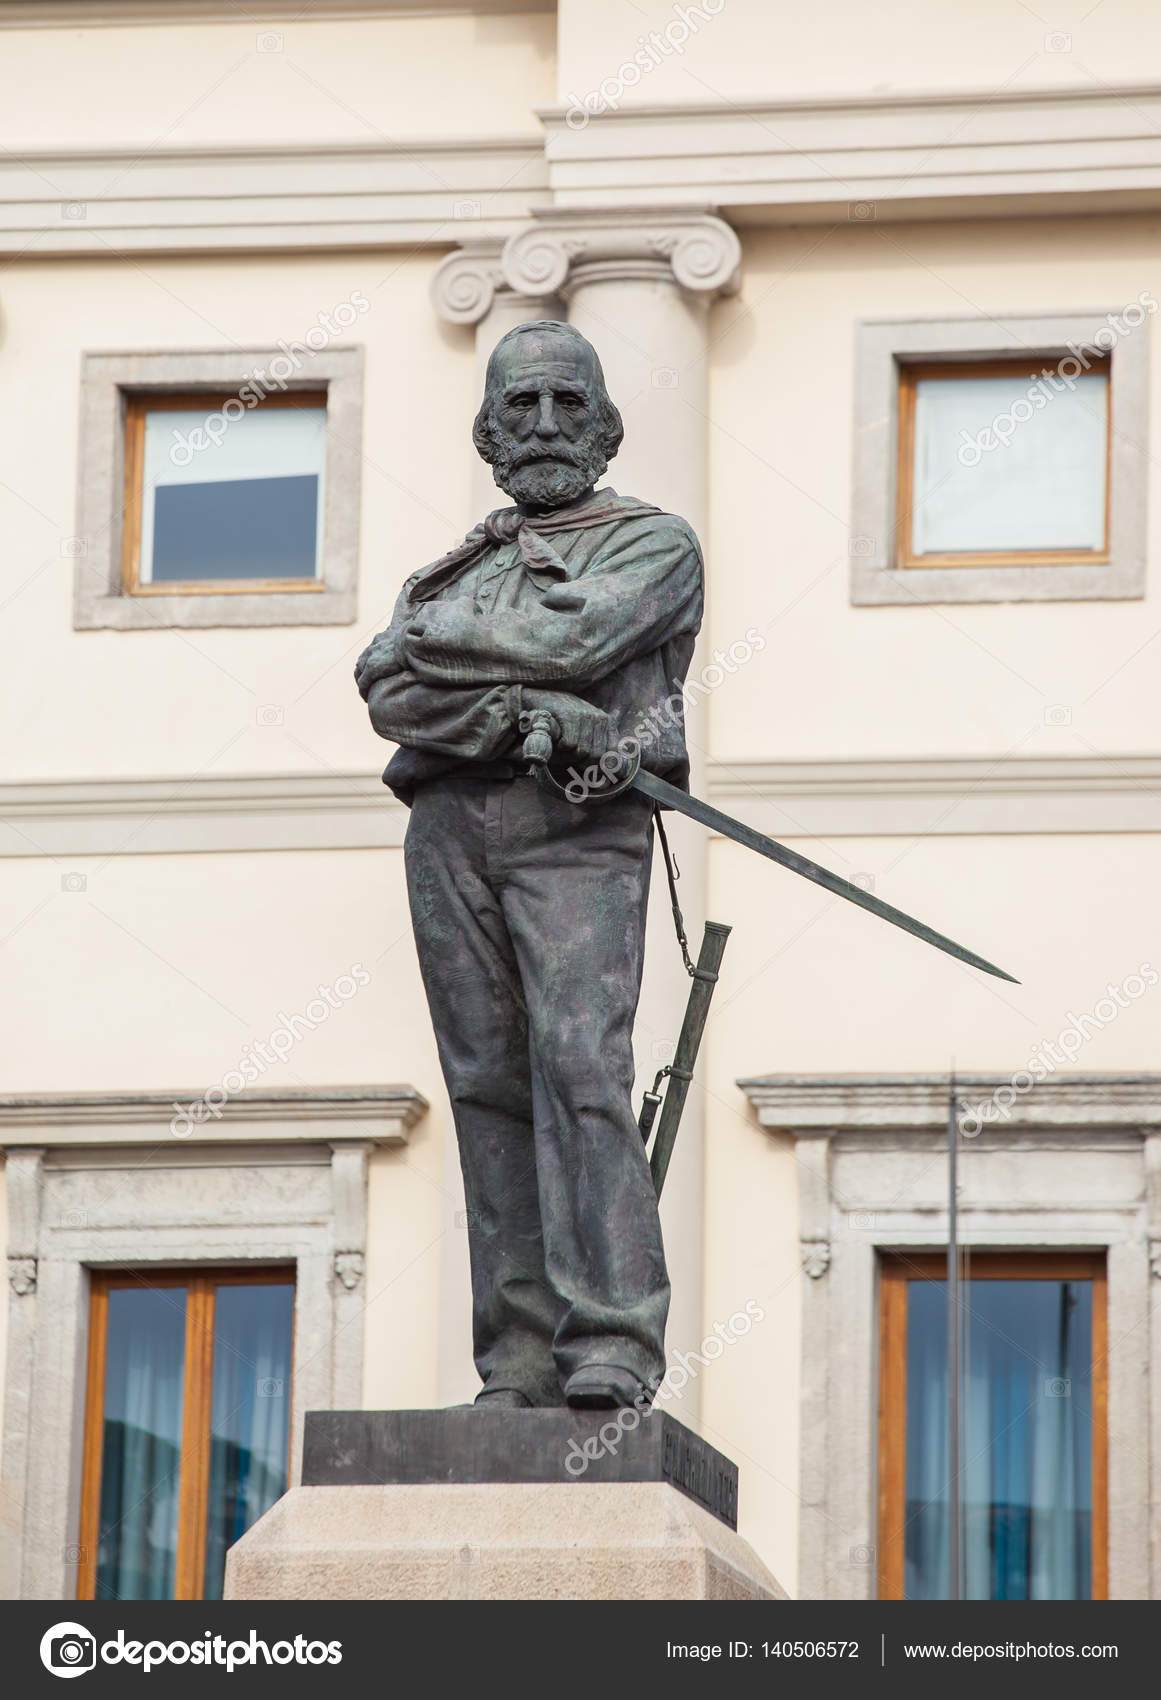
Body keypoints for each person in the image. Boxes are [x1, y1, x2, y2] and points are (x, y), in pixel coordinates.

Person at [356, 321, 703, 1410]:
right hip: (448, 828)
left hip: (577, 828)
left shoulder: (653, 544)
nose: (545, 424)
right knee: (487, 1088)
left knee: (582, 1069)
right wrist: (524, 707)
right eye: (521, 406)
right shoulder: (453, 566)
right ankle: (517, 1353)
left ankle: (612, 1338)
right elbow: (384, 684)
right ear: (487, 432)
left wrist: (463, 658)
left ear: (605, 425)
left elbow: (578, 640)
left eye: (567, 403)